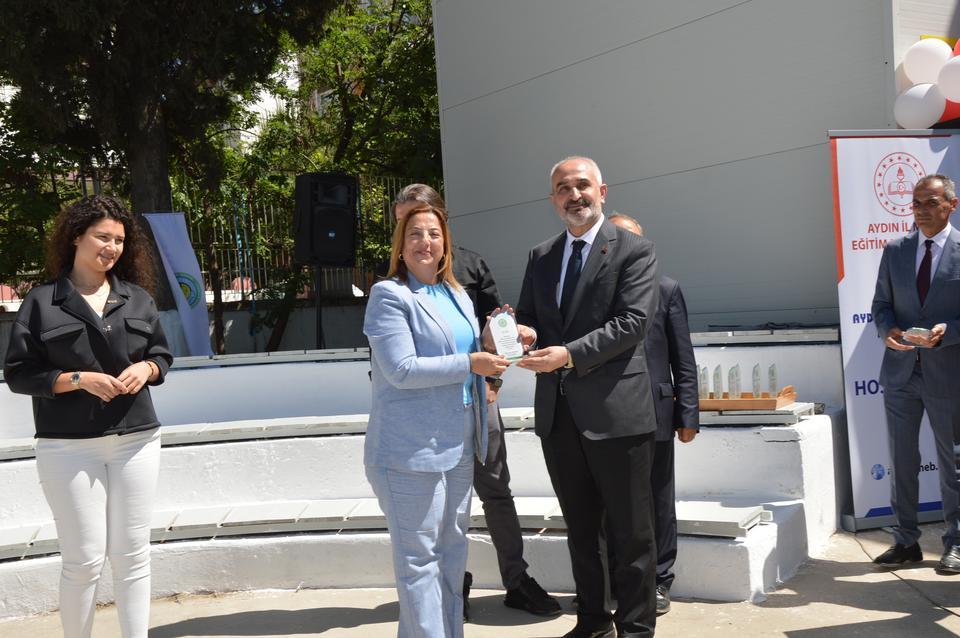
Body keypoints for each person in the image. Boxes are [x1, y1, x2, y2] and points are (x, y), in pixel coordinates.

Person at [388, 185, 562, 619]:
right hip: (425, 419)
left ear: (441, 219)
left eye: (422, 221)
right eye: (404, 222)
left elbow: (495, 333)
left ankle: (517, 580)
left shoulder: (469, 266)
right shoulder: (391, 281)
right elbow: (392, 360)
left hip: (479, 402)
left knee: (496, 492)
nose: (415, 233)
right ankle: (453, 585)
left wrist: (493, 383)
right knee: (441, 506)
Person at [3, 195, 173, 638]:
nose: (112, 247)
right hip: (68, 447)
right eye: (102, 237)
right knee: (83, 559)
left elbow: (161, 355)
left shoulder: (137, 298)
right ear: (76, 236)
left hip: (137, 441)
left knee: (133, 554)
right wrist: (77, 379)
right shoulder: (42, 302)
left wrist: (148, 368)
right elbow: (19, 374)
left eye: (119, 240)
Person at [514, 157, 660, 638]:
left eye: (582, 185)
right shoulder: (541, 255)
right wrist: (522, 332)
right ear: (552, 199)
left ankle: (635, 629)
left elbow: (632, 323)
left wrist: (569, 355)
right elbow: (532, 317)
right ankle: (592, 623)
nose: (573, 195)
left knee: (631, 533)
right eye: (563, 188)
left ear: (602, 191)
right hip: (559, 416)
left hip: (617, 414)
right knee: (580, 530)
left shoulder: (634, 250)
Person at [363, 203, 510, 637]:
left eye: (433, 234)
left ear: (445, 244)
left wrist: (499, 338)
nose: (425, 242)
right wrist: (471, 363)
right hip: (409, 450)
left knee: (451, 553)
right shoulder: (389, 295)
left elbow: (472, 350)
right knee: (419, 562)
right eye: (415, 234)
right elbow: (401, 369)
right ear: (401, 245)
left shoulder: (457, 294)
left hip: (459, 441)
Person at [608, 213, 699, 615]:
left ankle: (659, 581)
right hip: (607, 415)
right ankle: (618, 581)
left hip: (657, 412)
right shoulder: (594, 290)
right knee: (610, 501)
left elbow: (683, 357)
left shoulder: (666, 289)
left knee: (657, 501)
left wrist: (688, 415)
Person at [870, 173, 960, 573]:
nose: (922, 211)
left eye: (931, 203)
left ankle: (956, 543)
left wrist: (947, 332)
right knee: (901, 460)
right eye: (916, 203)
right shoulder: (895, 250)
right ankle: (906, 541)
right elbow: (881, 304)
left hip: (949, 375)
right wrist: (887, 331)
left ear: (952, 205)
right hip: (901, 373)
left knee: (953, 464)